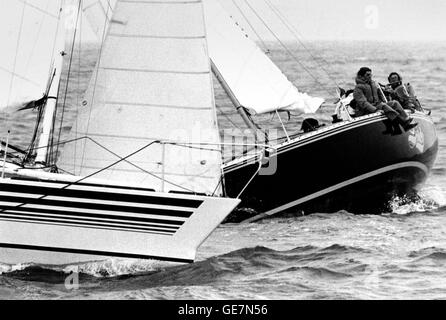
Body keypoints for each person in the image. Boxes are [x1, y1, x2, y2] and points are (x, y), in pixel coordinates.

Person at [353, 67, 417, 131]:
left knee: (394, 103)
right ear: (361, 76)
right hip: (364, 110)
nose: (370, 76)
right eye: (367, 75)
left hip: (376, 105)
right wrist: (375, 110)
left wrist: (384, 101)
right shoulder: (358, 88)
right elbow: (363, 103)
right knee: (383, 106)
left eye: (370, 74)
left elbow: (380, 95)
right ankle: (403, 124)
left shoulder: (373, 84)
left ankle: (406, 118)